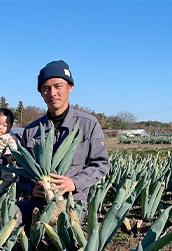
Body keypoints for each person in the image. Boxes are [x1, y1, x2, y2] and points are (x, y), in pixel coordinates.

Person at [16, 60, 110, 226]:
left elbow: (101, 165)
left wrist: (74, 183)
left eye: (58, 86)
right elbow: (22, 171)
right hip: (38, 202)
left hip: (72, 203)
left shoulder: (88, 124)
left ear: (70, 88)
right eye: (46, 88)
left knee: (61, 233)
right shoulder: (31, 130)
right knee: (0, 217)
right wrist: (32, 188)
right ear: (41, 93)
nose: (52, 93)